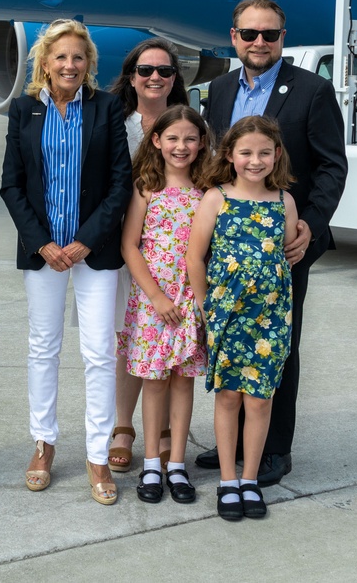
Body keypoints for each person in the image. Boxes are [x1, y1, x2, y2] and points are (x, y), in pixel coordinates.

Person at [194, 0, 347, 486]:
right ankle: (233, 445)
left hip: (283, 243)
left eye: (270, 34)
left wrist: (311, 226)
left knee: (277, 348)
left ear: (283, 37)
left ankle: (275, 448)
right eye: (250, 33)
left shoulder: (313, 90)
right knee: (229, 346)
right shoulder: (218, 89)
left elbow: (331, 166)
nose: (260, 42)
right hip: (228, 242)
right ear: (234, 36)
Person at [1, 18, 132, 505]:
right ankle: (44, 443)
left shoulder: (106, 108)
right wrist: (43, 243)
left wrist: (83, 242)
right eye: (61, 57)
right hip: (43, 253)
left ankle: (98, 455)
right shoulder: (23, 110)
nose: (70, 65)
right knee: (43, 348)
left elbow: (121, 182)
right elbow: (11, 184)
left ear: (89, 63)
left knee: (99, 351)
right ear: (45, 62)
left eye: (78, 57)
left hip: (92, 251)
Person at [188, 115, 298, 519]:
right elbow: (194, 257)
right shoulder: (216, 197)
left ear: (277, 155)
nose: (255, 160)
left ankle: (250, 480)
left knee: (259, 400)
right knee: (229, 396)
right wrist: (205, 306)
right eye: (246, 152)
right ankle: (228, 481)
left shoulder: (284, 201)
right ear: (230, 155)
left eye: (264, 153)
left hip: (270, 318)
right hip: (227, 316)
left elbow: (286, 252)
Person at [105, 38, 189, 474]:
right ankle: (123, 427)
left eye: (165, 70)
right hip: (122, 246)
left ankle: (164, 428)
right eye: (145, 70)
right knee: (128, 338)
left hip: (172, 252)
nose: (155, 77)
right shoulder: (114, 121)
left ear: (176, 77)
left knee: (170, 336)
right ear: (131, 76)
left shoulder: (190, 126)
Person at [118, 105, 209, 504]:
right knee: (154, 380)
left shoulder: (208, 191)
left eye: (190, 138)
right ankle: (152, 461)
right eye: (172, 138)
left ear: (202, 143)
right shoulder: (146, 187)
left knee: (182, 380)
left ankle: (177, 464)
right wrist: (155, 296)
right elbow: (129, 245)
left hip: (190, 301)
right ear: (156, 141)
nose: (181, 146)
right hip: (154, 301)